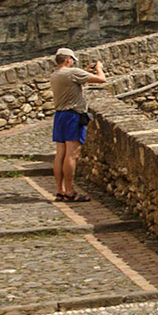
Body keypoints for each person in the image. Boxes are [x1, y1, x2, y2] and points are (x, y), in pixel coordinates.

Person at [48, 47, 108, 202]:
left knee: (60, 154)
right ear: (68, 59)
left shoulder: (55, 75)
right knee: (71, 154)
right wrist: (99, 68)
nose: (73, 63)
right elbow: (102, 80)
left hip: (59, 116)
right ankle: (70, 192)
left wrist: (85, 72)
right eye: (72, 61)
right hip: (72, 116)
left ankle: (60, 191)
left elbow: (73, 81)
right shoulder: (72, 72)